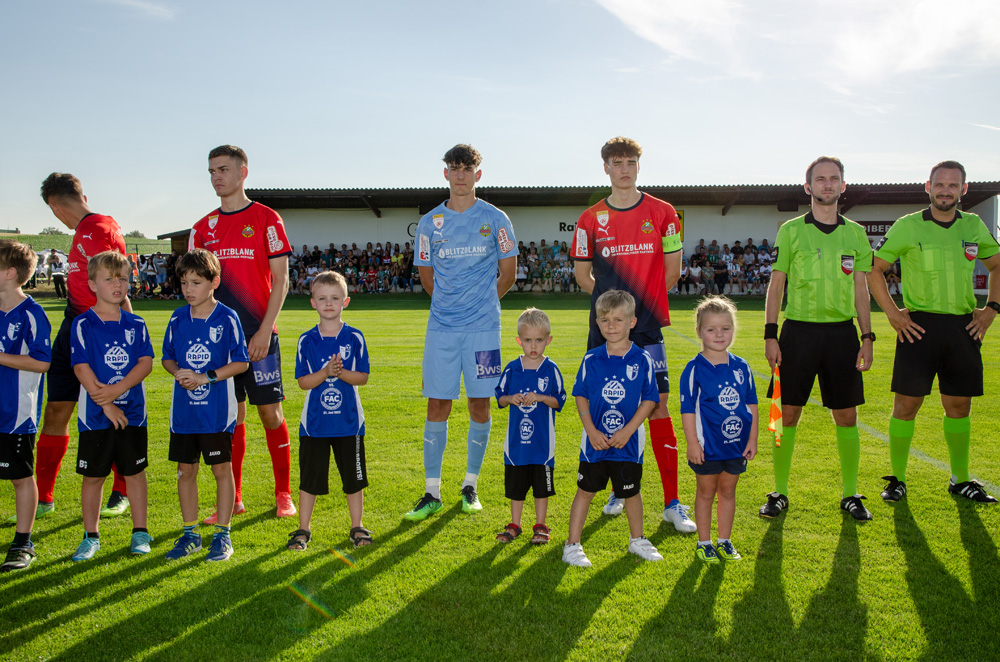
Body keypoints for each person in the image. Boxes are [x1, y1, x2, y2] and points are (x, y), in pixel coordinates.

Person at [572, 137, 694, 533]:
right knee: (609, 403)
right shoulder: (589, 219)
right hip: (606, 330)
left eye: (631, 162)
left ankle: (672, 502)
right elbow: (582, 276)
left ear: (639, 166)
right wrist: (614, 315)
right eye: (617, 162)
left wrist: (636, 311)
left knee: (658, 406)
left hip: (647, 325)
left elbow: (672, 272)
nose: (624, 169)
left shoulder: (663, 213)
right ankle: (618, 489)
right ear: (606, 167)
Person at [868, 160, 1000, 504]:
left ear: (963, 190)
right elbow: (874, 269)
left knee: (959, 405)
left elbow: (997, 264)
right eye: (939, 184)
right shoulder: (908, 225)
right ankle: (897, 479)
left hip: (963, 327)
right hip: (918, 328)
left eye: (953, 185)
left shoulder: (973, 225)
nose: (945, 191)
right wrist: (893, 314)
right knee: (906, 405)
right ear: (928, 186)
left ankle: (961, 479)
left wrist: (992, 309)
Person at [404, 144, 518, 520]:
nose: (460, 175)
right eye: (454, 168)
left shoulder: (496, 219)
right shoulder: (429, 223)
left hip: (484, 330)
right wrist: (452, 307)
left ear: (477, 174)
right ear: (446, 174)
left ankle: (470, 485)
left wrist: (480, 305)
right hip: (442, 329)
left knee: (480, 404)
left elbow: (508, 273)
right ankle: (431, 492)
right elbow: (427, 277)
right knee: (437, 403)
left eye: (467, 169)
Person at [762, 156, 875, 521]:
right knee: (786, 413)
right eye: (821, 179)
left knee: (847, 416)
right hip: (798, 333)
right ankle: (779, 491)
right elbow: (777, 284)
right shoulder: (791, 230)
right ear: (808, 186)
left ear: (843, 185)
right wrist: (770, 334)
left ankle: (850, 494)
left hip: (842, 334)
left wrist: (867, 336)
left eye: (834, 178)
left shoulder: (855, 233)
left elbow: (861, 289)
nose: (828, 184)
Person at [189, 145, 295, 522]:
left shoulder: (267, 219)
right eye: (211, 171)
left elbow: (281, 280)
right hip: (219, 343)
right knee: (231, 418)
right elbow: (195, 286)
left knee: (270, 413)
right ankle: (232, 499)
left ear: (242, 172)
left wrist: (265, 330)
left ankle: (283, 494)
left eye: (223, 169)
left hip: (259, 334)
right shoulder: (202, 229)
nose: (216, 177)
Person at [30, 173, 131, 526]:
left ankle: (121, 491)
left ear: (54, 206)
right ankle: (43, 497)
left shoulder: (99, 228)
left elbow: (118, 284)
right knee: (56, 408)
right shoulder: (84, 232)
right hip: (71, 327)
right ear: (81, 196)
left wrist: (125, 332)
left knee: (110, 409)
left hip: (100, 333)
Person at [161, 249, 249, 562]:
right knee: (185, 471)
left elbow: (241, 362)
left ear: (214, 282)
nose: (188, 289)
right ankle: (190, 535)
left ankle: (223, 535)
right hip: (184, 413)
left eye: (195, 283)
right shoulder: (177, 317)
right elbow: (167, 357)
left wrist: (205, 377)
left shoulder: (227, 317)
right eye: (184, 282)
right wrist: (179, 373)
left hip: (216, 413)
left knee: (221, 470)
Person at [563, 290, 663, 567]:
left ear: (632, 322)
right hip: (594, 443)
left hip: (627, 443)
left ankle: (637, 540)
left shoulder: (642, 359)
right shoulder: (591, 359)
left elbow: (650, 400)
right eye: (605, 320)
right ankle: (572, 545)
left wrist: (628, 431)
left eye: (618, 320)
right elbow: (580, 395)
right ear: (597, 322)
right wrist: (591, 430)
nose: (611, 326)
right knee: (585, 490)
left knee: (631, 491)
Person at [69, 252, 154, 561]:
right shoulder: (83, 324)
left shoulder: (136, 323)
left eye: (122, 279)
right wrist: (107, 405)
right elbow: (81, 368)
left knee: (135, 472)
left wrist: (117, 391)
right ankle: (90, 537)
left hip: (132, 413)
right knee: (94, 476)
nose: (117, 285)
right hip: (95, 415)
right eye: (109, 279)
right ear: (93, 284)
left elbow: (145, 363)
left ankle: (140, 532)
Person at [288, 271, 372, 550]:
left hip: (349, 423)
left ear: (345, 302)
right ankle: (303, 529)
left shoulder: (354, 337)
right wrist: (325, 372)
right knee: (309, 479)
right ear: (313, 302)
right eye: (322, 298)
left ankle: (357, 526)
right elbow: (303, 382)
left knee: (353, 479)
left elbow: (362, 377)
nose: (328, 303)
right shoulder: (307, 340)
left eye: (335, 298)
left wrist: (340, 372)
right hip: (315, 425)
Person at [680, 296, 758, 564]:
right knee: (706, 492)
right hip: (707, 447)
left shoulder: (742, 367)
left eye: (725, 328)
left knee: (728, 491)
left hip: (735, 445)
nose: (719, 334)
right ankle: (704, 543)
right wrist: (693, 443)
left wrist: (752, 438)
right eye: (711, 329)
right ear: (699, 332)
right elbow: (688, 410)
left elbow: (751, 404)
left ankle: (724, 540)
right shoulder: (694, 369)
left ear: (733, 330)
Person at [494, 308, 566, 545]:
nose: (533, 346)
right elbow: (500, 397)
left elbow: (560, 400)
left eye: (539, 340)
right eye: (527, 340)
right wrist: (510, 398)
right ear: (519, 341)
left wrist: (541, 397)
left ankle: (540, 525)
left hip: (542, 445)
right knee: (516, 487)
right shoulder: (512, 369)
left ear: (548, 340)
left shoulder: (551, 369)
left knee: (541, 488)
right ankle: (515, 524)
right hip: (517, 445)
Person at [0, 242, 51, 572]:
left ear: (9, 273)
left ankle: (23, 543)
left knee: (20, 477)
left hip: (15, 413)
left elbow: (42, 362)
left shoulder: (32, 314)